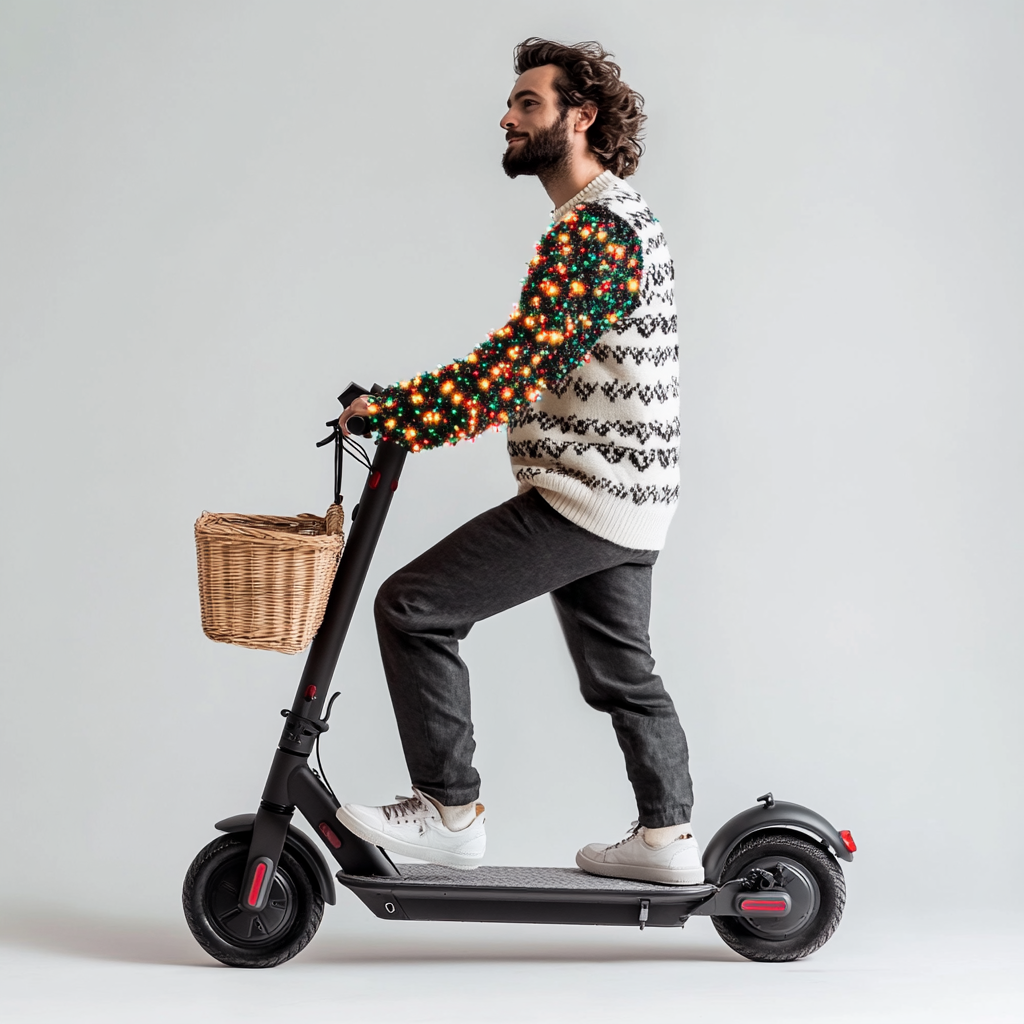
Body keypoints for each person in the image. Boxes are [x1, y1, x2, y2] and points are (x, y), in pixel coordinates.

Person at [335, 37, 702, 885]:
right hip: (630, 493)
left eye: (528, 104)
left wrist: (395, 411)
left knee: (413, 606)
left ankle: (448, 812)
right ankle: (667, 842)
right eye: (511, 104)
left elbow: (511, 370)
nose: (506, 117)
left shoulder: (599, 234)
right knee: (622, 673)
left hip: (587, 492)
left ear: (582, 118)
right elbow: (529, 359)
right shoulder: (607, 223)